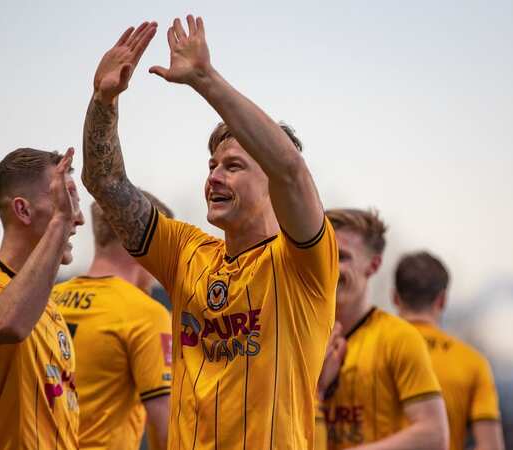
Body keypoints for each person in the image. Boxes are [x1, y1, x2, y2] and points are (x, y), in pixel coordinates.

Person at [81, 17, 338, 450]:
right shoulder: (186, 252)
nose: (215, 177)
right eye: (212, 166)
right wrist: (103, 101)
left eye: (233, 166)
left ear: (271, 182)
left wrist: (205, 80)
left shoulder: (303, 262)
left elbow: (292, 170)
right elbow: (105, 184)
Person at [0, 147, 84, 449]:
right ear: (23, 210)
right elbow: (6, 325)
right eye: (64, 203)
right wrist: (59, 223)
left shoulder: (48, 308)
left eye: (73, 206)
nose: (77, 219)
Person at [316, 209, 448, 450]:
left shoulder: (399, 337)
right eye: (324, 254)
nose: (330, 267)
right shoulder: (299, 336)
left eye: (342, 257)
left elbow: (434, 435)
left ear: (374, 265)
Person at [50, 192, 173, 450]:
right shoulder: (146, 313)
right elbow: (165, 429)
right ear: (146, 244)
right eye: (164, 247)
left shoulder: (47, 300)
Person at [393, 251, 504, 450]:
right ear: (442, 300)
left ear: (395, 297)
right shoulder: (473, 362)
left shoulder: (369, 349)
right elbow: (491, 446)